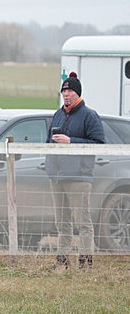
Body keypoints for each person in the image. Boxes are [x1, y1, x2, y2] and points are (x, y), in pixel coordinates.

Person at [45, 72, 105, 270]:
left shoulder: (90, 115)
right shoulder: (58, 114)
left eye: (70, 91)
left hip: (78, 177)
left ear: (78, 93)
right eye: (64, 91)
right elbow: (48, 142)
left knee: (82, 222)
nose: (66, 94)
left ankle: (85, 262)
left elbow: (98, 144)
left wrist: (71, 141)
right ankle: (62, 261)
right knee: (61, 222)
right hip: (57, 176)